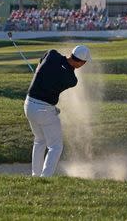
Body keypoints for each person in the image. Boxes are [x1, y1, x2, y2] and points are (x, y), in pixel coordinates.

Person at [24, 45, 91, 177]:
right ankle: (45, 177)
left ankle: (35, 175)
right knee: (55, 146)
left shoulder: (52, 54)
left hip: (28, 104)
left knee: (39, 140)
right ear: (81, 63)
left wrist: (40, 70)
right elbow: (59, 74)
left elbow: (43, 61)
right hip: (44, 110)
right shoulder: (72, 80)